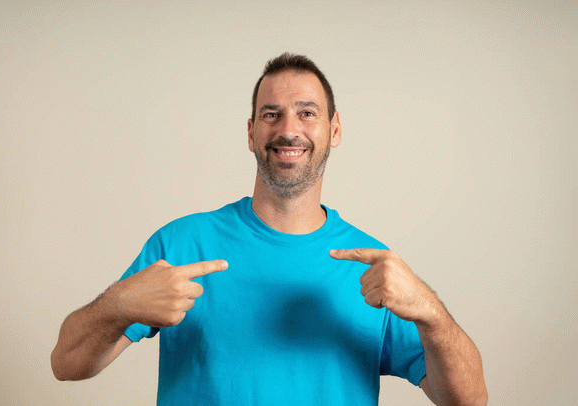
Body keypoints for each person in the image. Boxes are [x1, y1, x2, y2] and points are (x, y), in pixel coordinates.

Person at [51, 53, 487, 405]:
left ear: (334, 129)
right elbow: (66, 364)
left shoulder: (375, 267)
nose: (288, 129)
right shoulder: (182, 245)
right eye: (271, 114)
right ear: (251, 132)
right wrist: (120, 304)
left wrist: (430, 312)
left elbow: (470, 401)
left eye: (307, 113)